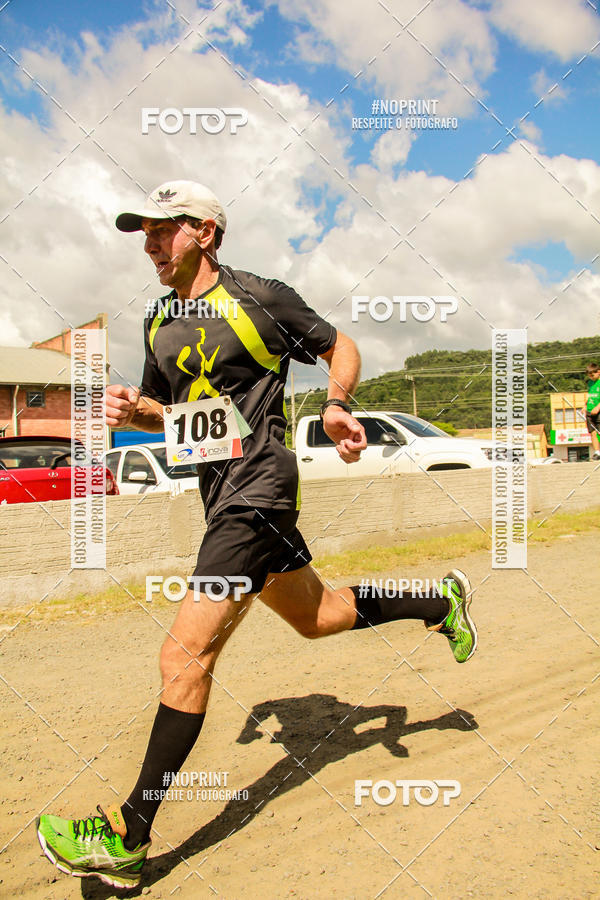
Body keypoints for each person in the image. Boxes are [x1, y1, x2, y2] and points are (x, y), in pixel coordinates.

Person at [36, 180, 478, 889]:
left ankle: (128, 834)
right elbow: (170, 416)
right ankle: (438, 603)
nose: (150, 243)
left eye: (162, 229)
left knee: (184, 655)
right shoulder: (158, 322)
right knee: (317, 616)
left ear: (205, 232)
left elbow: (342, 347)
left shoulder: (260, 299)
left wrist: (336, 406)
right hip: (221, 501)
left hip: (259, 494)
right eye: (142, 233)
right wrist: (131, 407)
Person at [584, 362, 600, 460]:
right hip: (590, 411)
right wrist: (585, 405)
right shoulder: (590, 383)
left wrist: (598, 407)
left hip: (598, 411)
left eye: (593, 375)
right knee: (593, 432)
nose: (591, 377)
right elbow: (589, 395)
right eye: (589, 376)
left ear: (598, 372)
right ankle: (597, 452)